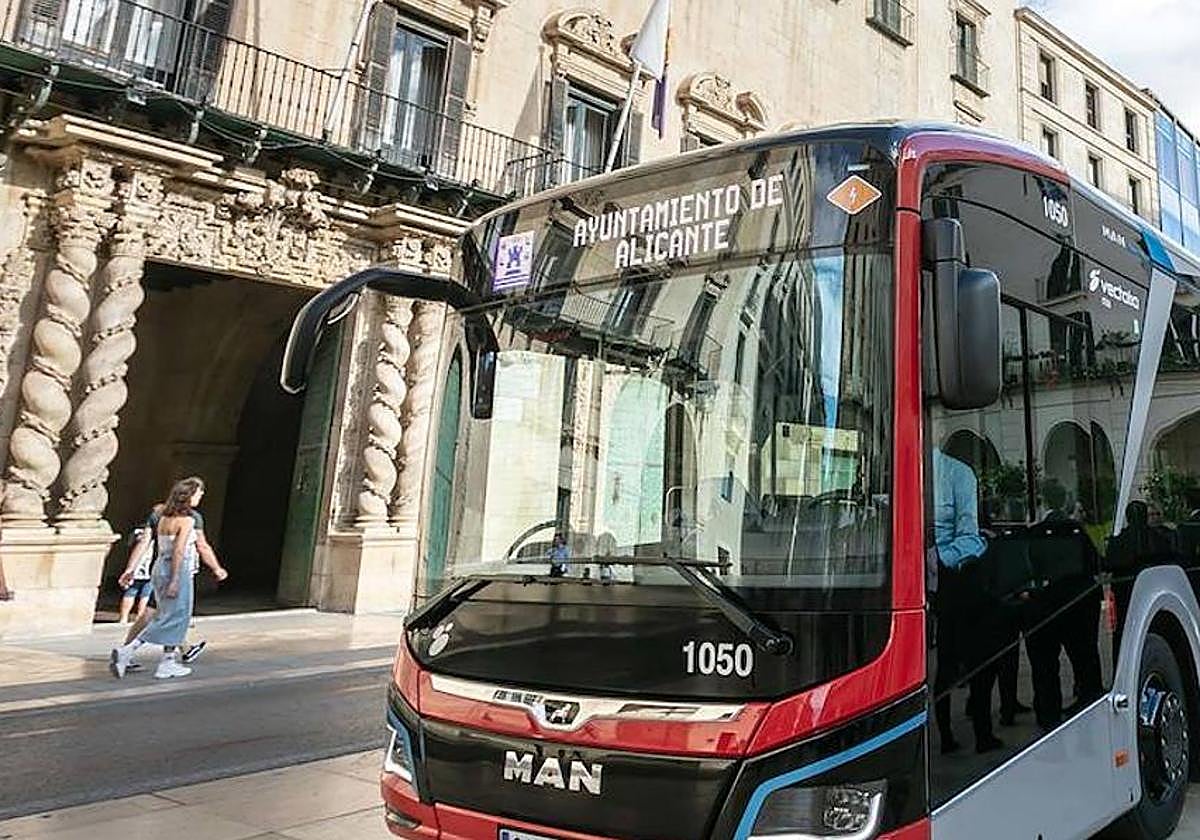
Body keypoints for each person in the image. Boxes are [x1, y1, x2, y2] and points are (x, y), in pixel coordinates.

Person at [929, 447, 1003, 755]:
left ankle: (981, 734)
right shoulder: (888, 467)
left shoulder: (957, 473)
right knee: (945, 668)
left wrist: (933, 559)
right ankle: (946, 736)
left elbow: (970, 537)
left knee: (976, 664)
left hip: (956, 583)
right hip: (916, 583)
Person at [110, 478, 219, 679]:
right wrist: (176, 579)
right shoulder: (188, 521)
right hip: (176, 569)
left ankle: (168, 661)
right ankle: (129, 650)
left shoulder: (161, 518)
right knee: (175, 617)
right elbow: (179, 551)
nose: (201, 496)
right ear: (189, 497)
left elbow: (146, 542)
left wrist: (131, 568)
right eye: (198, 493)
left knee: (172, 617)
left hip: (159, 568)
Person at [118, 524, 155, 624]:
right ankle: (139, 618)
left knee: (131, 592)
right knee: (145, 594)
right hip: (148, 568)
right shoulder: (153, 536)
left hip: (137, 567)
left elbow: (129, 545)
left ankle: (124, 617)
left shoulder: (137, 533)